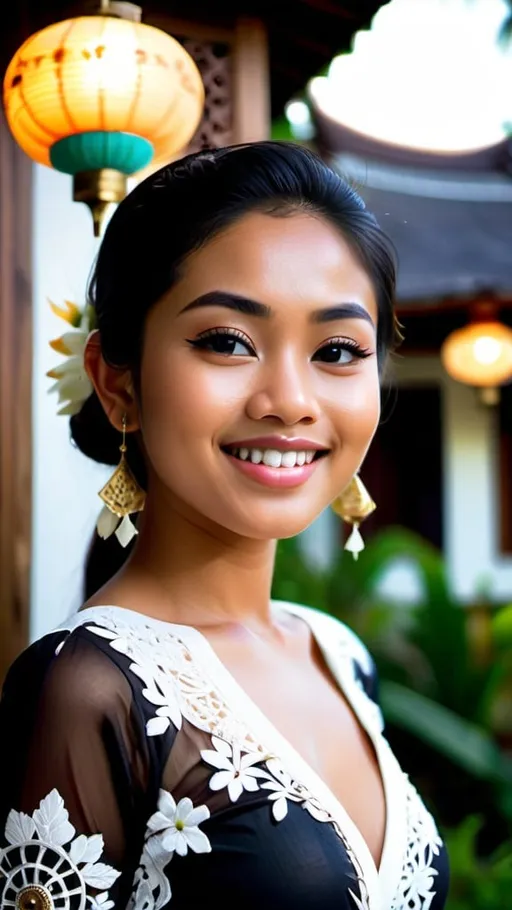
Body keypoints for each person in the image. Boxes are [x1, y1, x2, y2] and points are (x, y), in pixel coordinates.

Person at [0, 142, 449, 910]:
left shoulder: (337, 653)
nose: (290, 399)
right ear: (118, 383)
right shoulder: (87, 688)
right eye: (227, 342)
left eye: (337, 350)